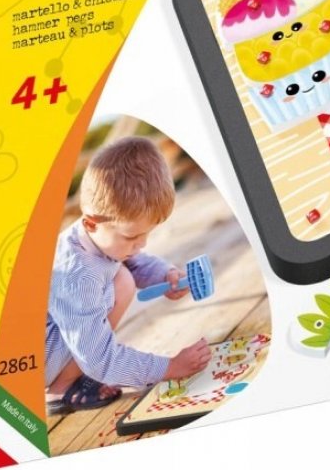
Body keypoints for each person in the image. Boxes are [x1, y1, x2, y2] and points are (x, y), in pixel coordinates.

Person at [45, 136, 212, 412]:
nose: (142, 244)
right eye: (132, 236)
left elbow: (133, 259)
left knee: (122, 276)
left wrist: (165, 275)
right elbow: (99, 357)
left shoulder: (95, 235)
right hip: (37, 359)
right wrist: (168, 367)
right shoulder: (79, 276)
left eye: (147, 234)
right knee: (122, 281)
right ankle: (61, 388)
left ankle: (69, 375)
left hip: (56, 339)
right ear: (91, 223)